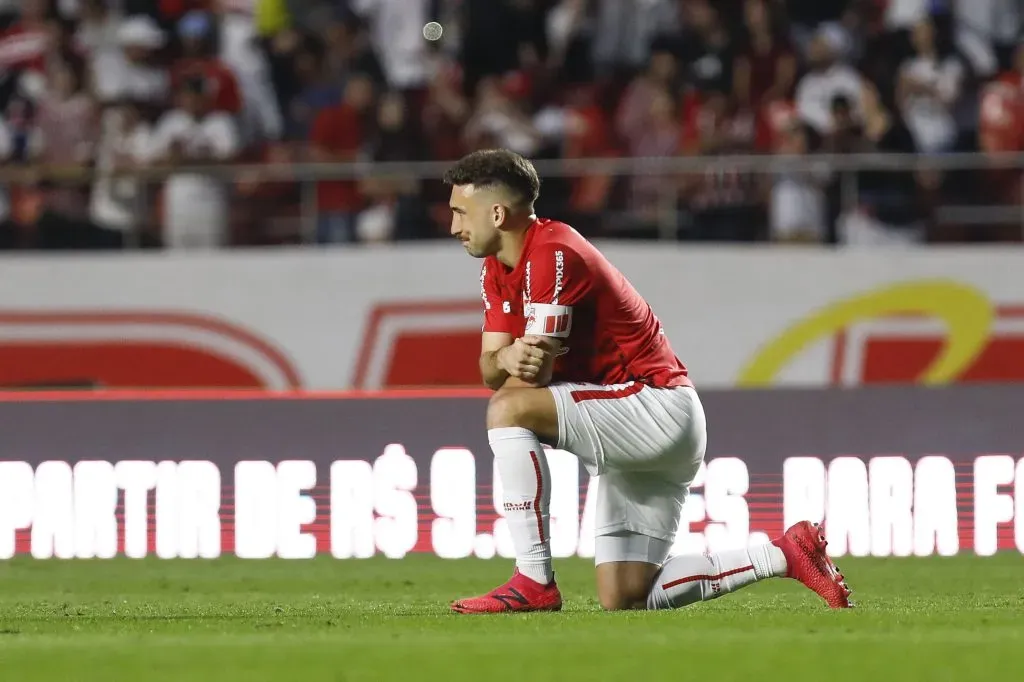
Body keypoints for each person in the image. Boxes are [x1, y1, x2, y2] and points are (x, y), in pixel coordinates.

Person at [444, 149, 853, 614]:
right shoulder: (497, 268)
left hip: (655, 407)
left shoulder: (552, 254)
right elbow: (489, 368)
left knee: (508, 408)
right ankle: (784, 553)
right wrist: (510, 355)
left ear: (497, 213)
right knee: (628, 594)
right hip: (642, 417)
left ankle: (533, 579)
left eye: (460, 212)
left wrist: (512, 357)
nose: (454, 226)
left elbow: (529, 375)